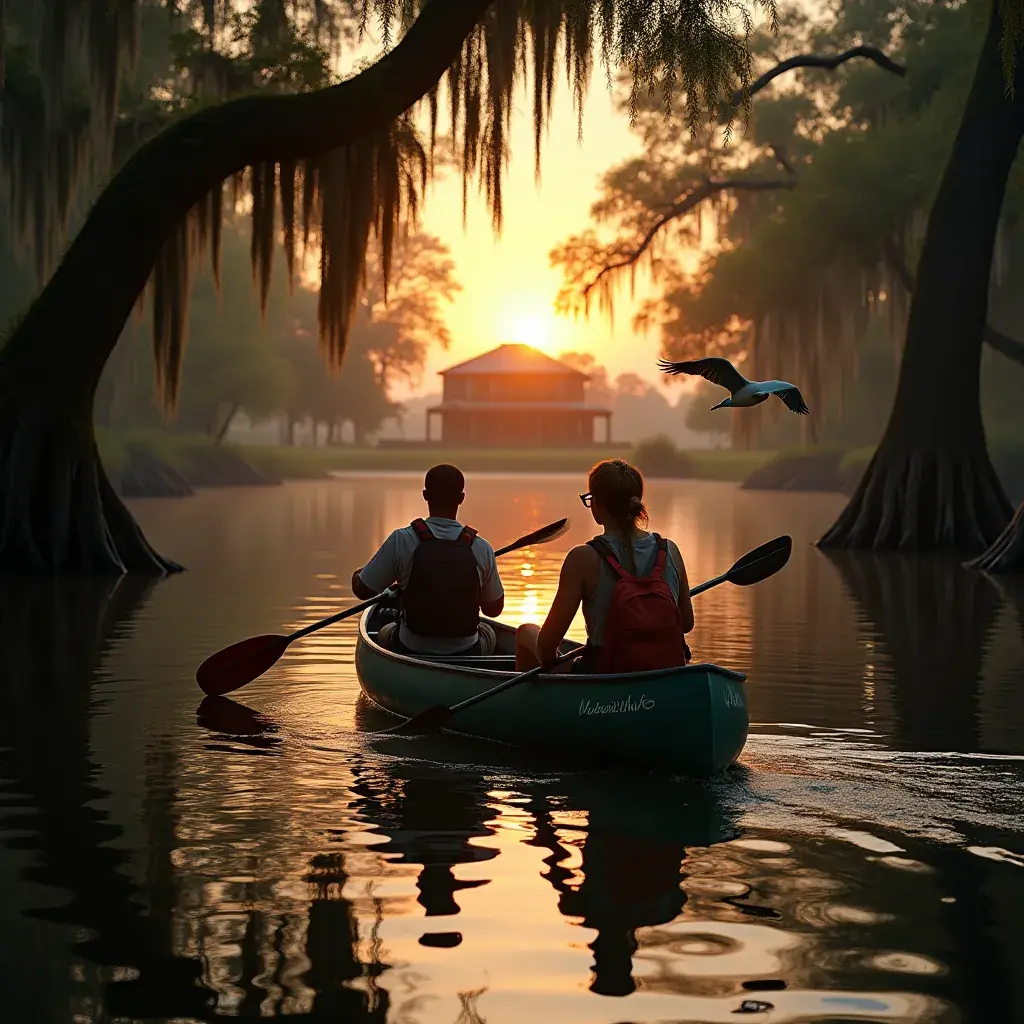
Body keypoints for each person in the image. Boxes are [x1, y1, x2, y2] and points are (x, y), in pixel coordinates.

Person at [515, 459, 694, 673]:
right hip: (663, 673)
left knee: (526, 632)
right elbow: (685, 623)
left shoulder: (582, 558)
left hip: (606, 678)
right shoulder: (670, 551)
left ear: (598, 505)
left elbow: (546, 646)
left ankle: (534, 703)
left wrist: (553, 662)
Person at [352, 463, 505, 657]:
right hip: (467, 650)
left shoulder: (402, 539)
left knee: (383, 633)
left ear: (425, 495)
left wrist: (359, 574)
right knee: (489, 631)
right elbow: (493, 610)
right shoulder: (481, 548)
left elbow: (363, 590)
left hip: (411, 647)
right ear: (461, 498)